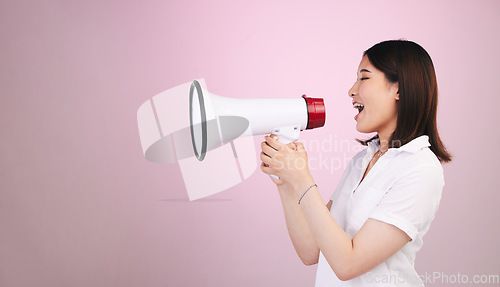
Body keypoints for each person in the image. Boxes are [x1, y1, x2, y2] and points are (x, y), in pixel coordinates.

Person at [260, 40, 452, 286]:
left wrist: (303, 179)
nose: (351, 91)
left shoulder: (421, 169)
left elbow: (347, 264)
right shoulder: (362, 161)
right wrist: (286, 182)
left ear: (399, 89)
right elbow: (311, 250)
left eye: (364, 78)